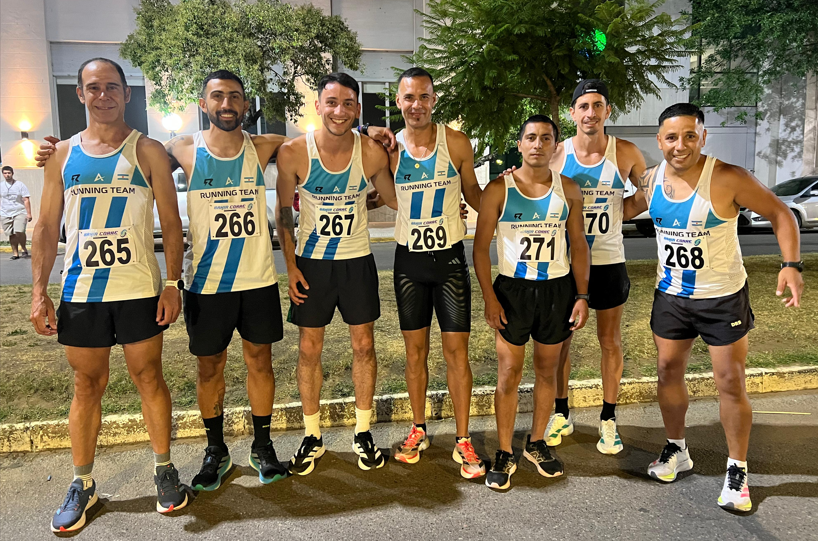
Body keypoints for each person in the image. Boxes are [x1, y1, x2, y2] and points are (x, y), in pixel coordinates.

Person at [30, 58, 188, 533]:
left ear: (126, 93)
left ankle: (164, 470)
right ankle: (82, 483)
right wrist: (39, 292)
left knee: (149, 378)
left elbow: (172, 222)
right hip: (81, 292)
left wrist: (172, 283)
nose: (104, 96)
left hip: (138, 290)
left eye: (112, 87)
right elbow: (45, 227)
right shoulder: (61, 155)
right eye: (93, 88)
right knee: (86, 386)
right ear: (80, 94)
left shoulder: (148, 150)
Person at [624, 103, 804, 512]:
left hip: (722, 298)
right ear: (659, 140)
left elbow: (780, 213)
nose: (681, 145)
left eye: (690, 136)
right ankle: (677, 449)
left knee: (730, 381)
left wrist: (791, 265)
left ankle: (737, 469)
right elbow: (619, 209)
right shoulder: (652, 180)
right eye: (672, 137)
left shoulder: (728, 177)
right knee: (667, 371)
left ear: (703, 137)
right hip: (671, 296)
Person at [162, 70, 291, 490]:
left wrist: (371, 132)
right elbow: (125, 158)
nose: (227, 104)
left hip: (257, 279)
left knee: (260, 361)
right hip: (206, 283)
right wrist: (59, 149)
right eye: (217, 96)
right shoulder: (182, 148)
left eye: (235, 96)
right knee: (209, 367)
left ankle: (263, 445)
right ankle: (215, 450)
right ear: (203, 104)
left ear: (246, 105)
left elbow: (323, 143)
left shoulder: (264, 146)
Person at [275, 72, 398, 474]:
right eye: (331, 102)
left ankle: (363, 431)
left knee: (364, 346)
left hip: (357, 261)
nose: (339, 111)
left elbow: (394, 199)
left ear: (357, 109)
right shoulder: (294, 152)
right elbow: (282, 214)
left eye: (347, 104)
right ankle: (312, 436)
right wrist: (291, 266)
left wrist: (393, 151)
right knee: (309, 349)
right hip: (312, 264)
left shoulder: (372, 153)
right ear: (318, 106)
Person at [366, 67, 485, 478]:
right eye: (408, 98)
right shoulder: (389, 148)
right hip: (409, 265)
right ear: (398, 102)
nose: (416, 105)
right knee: (415, 353)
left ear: (434, 100)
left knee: (456, 353)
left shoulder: (456, 143)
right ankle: (418, 428)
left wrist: (511, 195)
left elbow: (474, 195)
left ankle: (463, 439)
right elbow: (380, 195)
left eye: (423, 97)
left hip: (449, 262)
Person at [474, 115, 589, 490]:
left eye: (546, 138)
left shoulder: (568, 189)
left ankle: (536, 442)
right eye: (531, 137)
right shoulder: (499, 189)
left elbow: (579, 245)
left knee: (547, 371)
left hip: (557, 290)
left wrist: (582, 296)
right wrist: (490, 298)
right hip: (513, 291)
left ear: (556, 145)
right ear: (520, 144)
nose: (538, 144)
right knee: (509, 373)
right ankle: (504, 450)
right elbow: (480, 249)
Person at [546, 80, 647, 455]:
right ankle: (561, 413)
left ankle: (608, 419)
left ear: (608, 111)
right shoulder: (557, 153)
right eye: (584, 106)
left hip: (608, 261)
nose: (591, 113)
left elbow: (649, 192)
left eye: (597, 105)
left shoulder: (626, 152)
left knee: (609, 341)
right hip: (565, 264)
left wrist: (621, 212)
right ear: (572, 112)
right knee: (560, 343)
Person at [1, 165, 33, 259]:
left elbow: (26, 199)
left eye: (9, 173)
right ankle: (15, 253)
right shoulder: (1, 185)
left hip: (19, 211)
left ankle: (23, 248)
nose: (7, 175)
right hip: (5, 213)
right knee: (11, 234)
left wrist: (29, 213)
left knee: (19, 231)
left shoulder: (20, 185)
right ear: (3, 174)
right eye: (5, 173)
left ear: (12, 173)